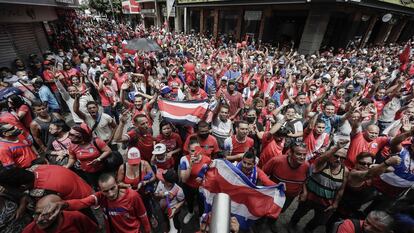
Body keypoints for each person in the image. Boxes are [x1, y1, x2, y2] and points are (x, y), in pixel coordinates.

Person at [40, 173, 151, 233]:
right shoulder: (100, 197)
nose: (111, 194)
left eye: (113, 188)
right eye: (106, 191)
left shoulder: (132, 196)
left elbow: (143, 216)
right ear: (100, 190)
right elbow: (82, 202)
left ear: (117, 184)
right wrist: (63, 204)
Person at [289, 142, 349, 233]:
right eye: (336, 156)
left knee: (319, 221)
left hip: (325, 203)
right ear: (330, 155)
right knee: (299, 213)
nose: (339, 159)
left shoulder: (345, 171)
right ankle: (291, 225)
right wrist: (336, 147)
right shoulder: (323, 163)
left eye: (342, 158)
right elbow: (321, 158)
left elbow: (341, 189)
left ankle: (307, 229)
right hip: (309, 197)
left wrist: (335, 203)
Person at [263, 142, 310, 212]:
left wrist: (304, 192)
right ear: (290, 153)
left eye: (304, 154)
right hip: (273, 194)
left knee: (278, 212)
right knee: (265, 210)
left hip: (290, 197)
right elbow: (262, 174)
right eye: (299, 154)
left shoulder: (306, 166)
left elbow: (304, 180)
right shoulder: (277, 161)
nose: (302, 157)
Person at [65, 124, 112, 188]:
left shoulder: (96, 141)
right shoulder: (72, 146)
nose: (69, 137)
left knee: (109, 185)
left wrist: (99, 159)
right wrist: (67, 167)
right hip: (88, 173)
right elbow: (72, 158)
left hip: (103, 169)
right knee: (98, 187)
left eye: (72, 135)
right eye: (69, 134)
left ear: (82, 135)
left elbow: (108, 151)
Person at [22, 194, 98, 233]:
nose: (39, 219)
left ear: (58, 212)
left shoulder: (75, 217)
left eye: (46, 214)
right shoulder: (29, 231)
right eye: (37, 213)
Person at [179, 137, 212, 224]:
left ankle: (201, 216)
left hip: (201, 187)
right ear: (189, 151)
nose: (195, 153)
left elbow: (210, 175)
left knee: (201, 203)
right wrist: (190, 165)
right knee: (189, 201)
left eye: (197, 150)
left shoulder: (207, 159)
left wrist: (203, 177)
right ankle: (190, 212)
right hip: (188, 186)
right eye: (192, 151)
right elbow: (184, 179)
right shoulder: (184, 159)